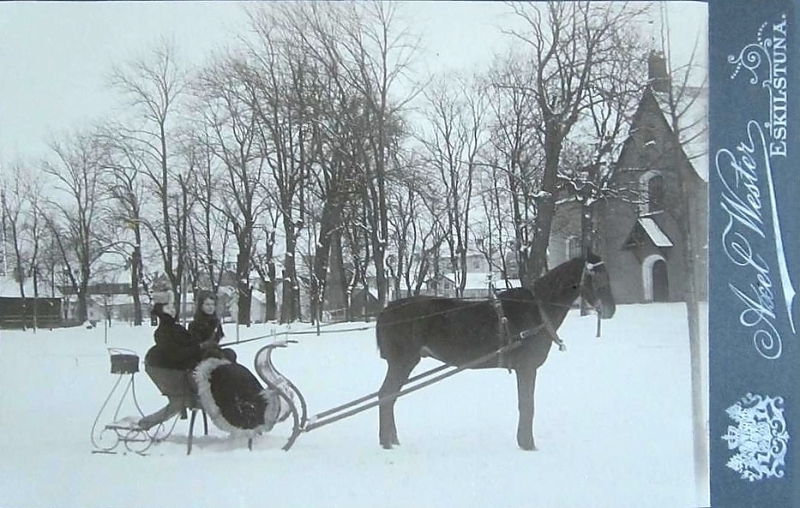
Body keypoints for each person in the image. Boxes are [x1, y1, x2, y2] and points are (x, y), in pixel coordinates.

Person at [137, 295, 205, 430]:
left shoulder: (178, 328)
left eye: (173, 307)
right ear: (160, 311)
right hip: (162, 369)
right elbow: (176, 354)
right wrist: (198, 348)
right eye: (168, 308)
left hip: (179, 369)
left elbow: (192, 345)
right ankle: (147, 423)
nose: (173, 310)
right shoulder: (162, 332)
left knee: (180, 401)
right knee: (179, 401)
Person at [188, 291, 237, 363]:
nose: (210, 307)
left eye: (212, 304)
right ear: (201, 306)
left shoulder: (216, 322)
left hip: (215, 353)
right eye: (207, 304)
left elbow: (218, 339)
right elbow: (195, 346)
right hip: (202, 357)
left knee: (230, 353)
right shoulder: (194, 324)